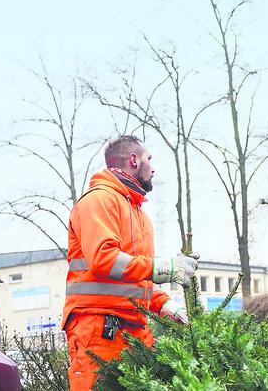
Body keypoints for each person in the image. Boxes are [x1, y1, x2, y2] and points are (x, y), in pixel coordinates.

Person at [62, 135, 199, 390]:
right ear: (134, 160)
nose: (153, 167)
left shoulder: (140, 215)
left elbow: (137, 277)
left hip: (135, 328)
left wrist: (166, 305)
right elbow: (104, 260)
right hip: (99, 328)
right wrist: (165, 268)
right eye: (149, 159)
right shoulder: (99, 200)